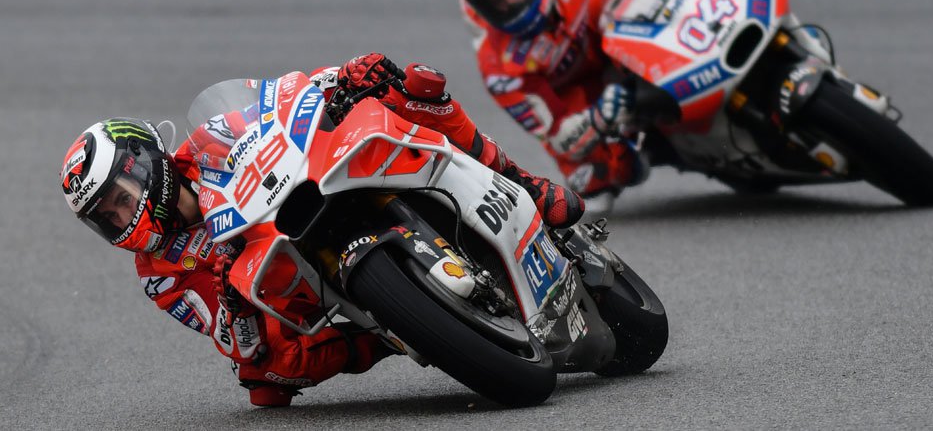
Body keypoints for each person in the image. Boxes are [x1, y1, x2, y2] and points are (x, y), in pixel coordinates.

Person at [59, 53, 584, 407]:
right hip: (291, 288)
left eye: (119, 201)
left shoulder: (206, 142)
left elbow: (280, 102)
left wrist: (342, 78)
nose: (120, 219)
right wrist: (234, 310)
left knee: (409, 89)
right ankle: (384, 334)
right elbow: (232, 340)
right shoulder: (161, 272)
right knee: (264, 381)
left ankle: (524, 183)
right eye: (106, 218)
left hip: (311, 187)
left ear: (145, 165)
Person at [454, 0, 761, 208]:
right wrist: (599, 116)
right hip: (584, 98)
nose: (511, 4)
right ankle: (662, 147)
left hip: (621, 38)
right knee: (590, 177)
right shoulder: (499, 66)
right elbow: (556, 134)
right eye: (498, 2)